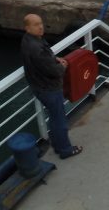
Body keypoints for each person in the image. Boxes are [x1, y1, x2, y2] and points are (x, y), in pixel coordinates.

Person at [20, 13, 82, 159]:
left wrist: (54, 59)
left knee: (54, 118)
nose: (40, 27)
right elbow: (54, 71)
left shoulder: (27, 40)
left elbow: (43, 61)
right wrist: (63, 65)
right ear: (27, 28)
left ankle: (57, 145)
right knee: (59, 120)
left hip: (39, 86)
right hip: (49, 89)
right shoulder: (37, 48)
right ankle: (65, 150)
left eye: (41, 23)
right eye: (36, 24)